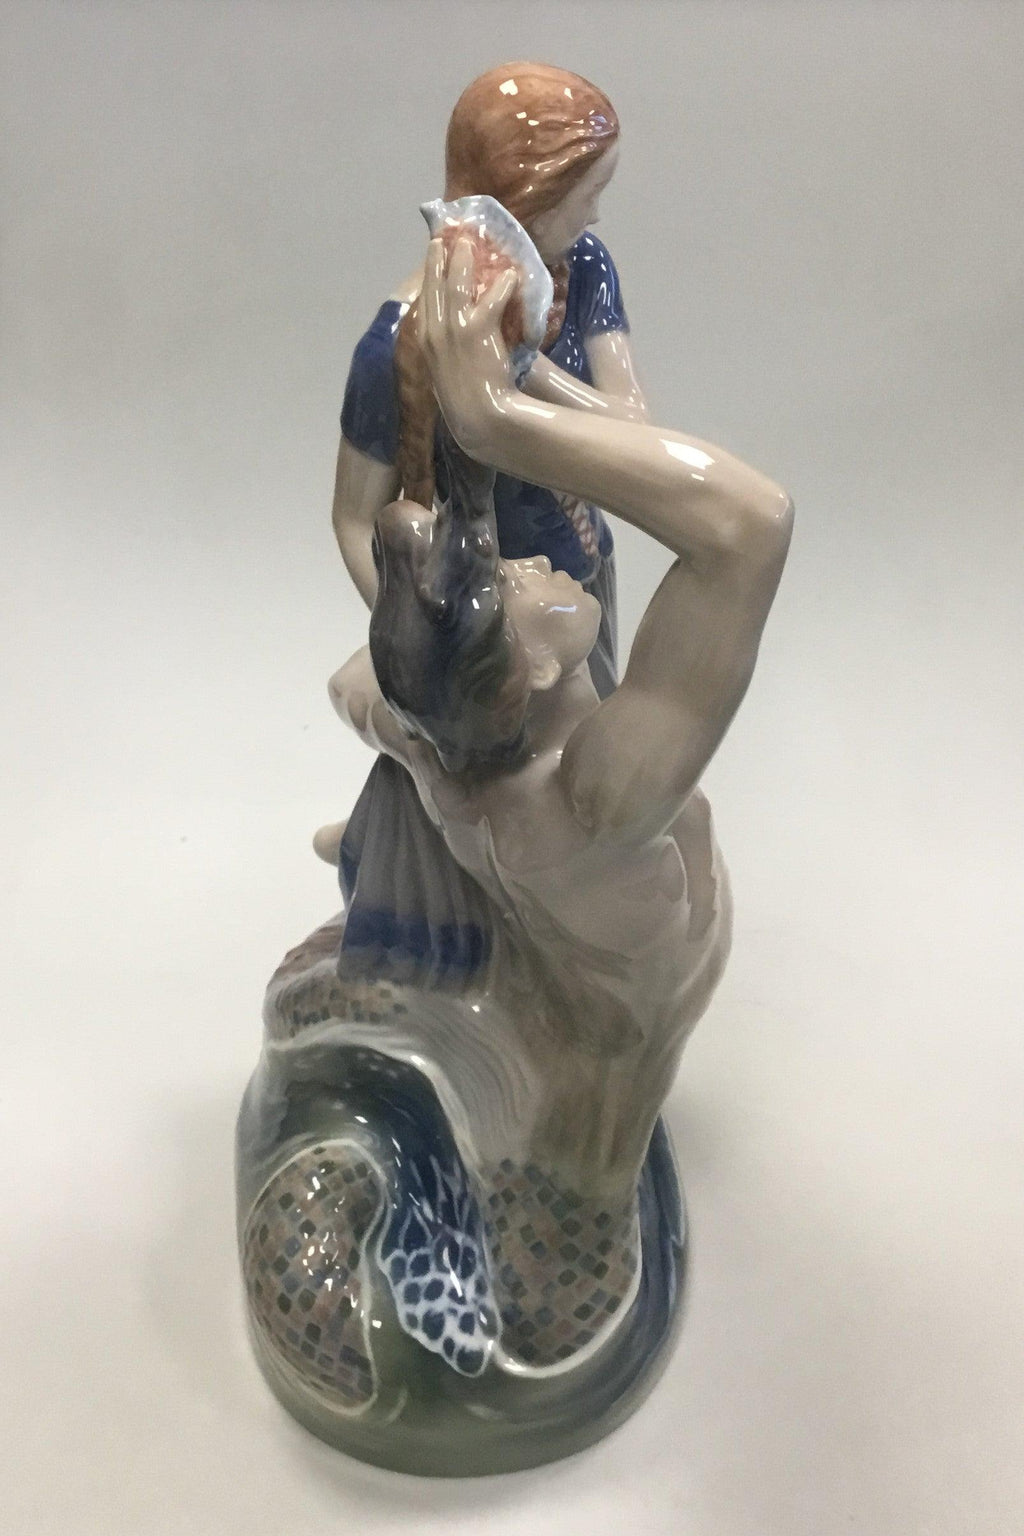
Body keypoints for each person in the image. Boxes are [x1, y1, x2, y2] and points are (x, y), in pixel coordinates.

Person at [237, 240, 792, 1472]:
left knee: (386, 992)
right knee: (561, 1255)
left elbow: (377, 698)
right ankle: (511, 1277)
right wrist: (497, 407)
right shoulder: (602, 792)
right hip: (608, 1058)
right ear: (533, 670)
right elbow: (747, 529)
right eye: (521, 581)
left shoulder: (463, 760)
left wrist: (509, 391)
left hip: (557, 989)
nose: (544, 562)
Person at [327, 63, 646, 979]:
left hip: (575, 585)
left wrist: (517, 364)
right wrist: (426, 651)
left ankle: (564, 967)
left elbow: (631, 431)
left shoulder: (580, 270)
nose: (596, 216)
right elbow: (354, 519)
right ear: (526, 198)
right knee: (477, 805)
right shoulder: (395, 347)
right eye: (587, 196)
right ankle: (464, 956)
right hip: (482, 627)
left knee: (585, 793)